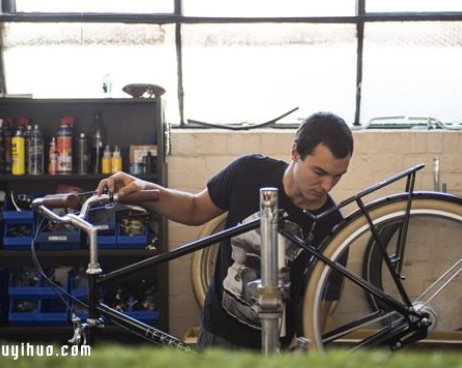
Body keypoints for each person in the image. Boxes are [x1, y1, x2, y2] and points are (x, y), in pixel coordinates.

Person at [96, 111, 354, 350]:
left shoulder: (333, 228)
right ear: (295, 152)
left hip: (277, 349)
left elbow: (320, 308)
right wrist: (142, 188)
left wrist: (304, 348)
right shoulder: (249, 172)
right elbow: (194, 209)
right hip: (218, 335)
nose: (327, 186)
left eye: (338, 176)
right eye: (319, 172)